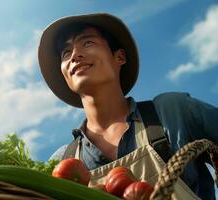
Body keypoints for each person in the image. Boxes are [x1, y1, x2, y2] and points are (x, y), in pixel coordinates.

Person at [38, 13, 218, 199]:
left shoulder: (172, 112)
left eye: (87, 43)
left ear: (120, 57)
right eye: (66, 52)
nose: (74, 55)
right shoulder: (62, 161)